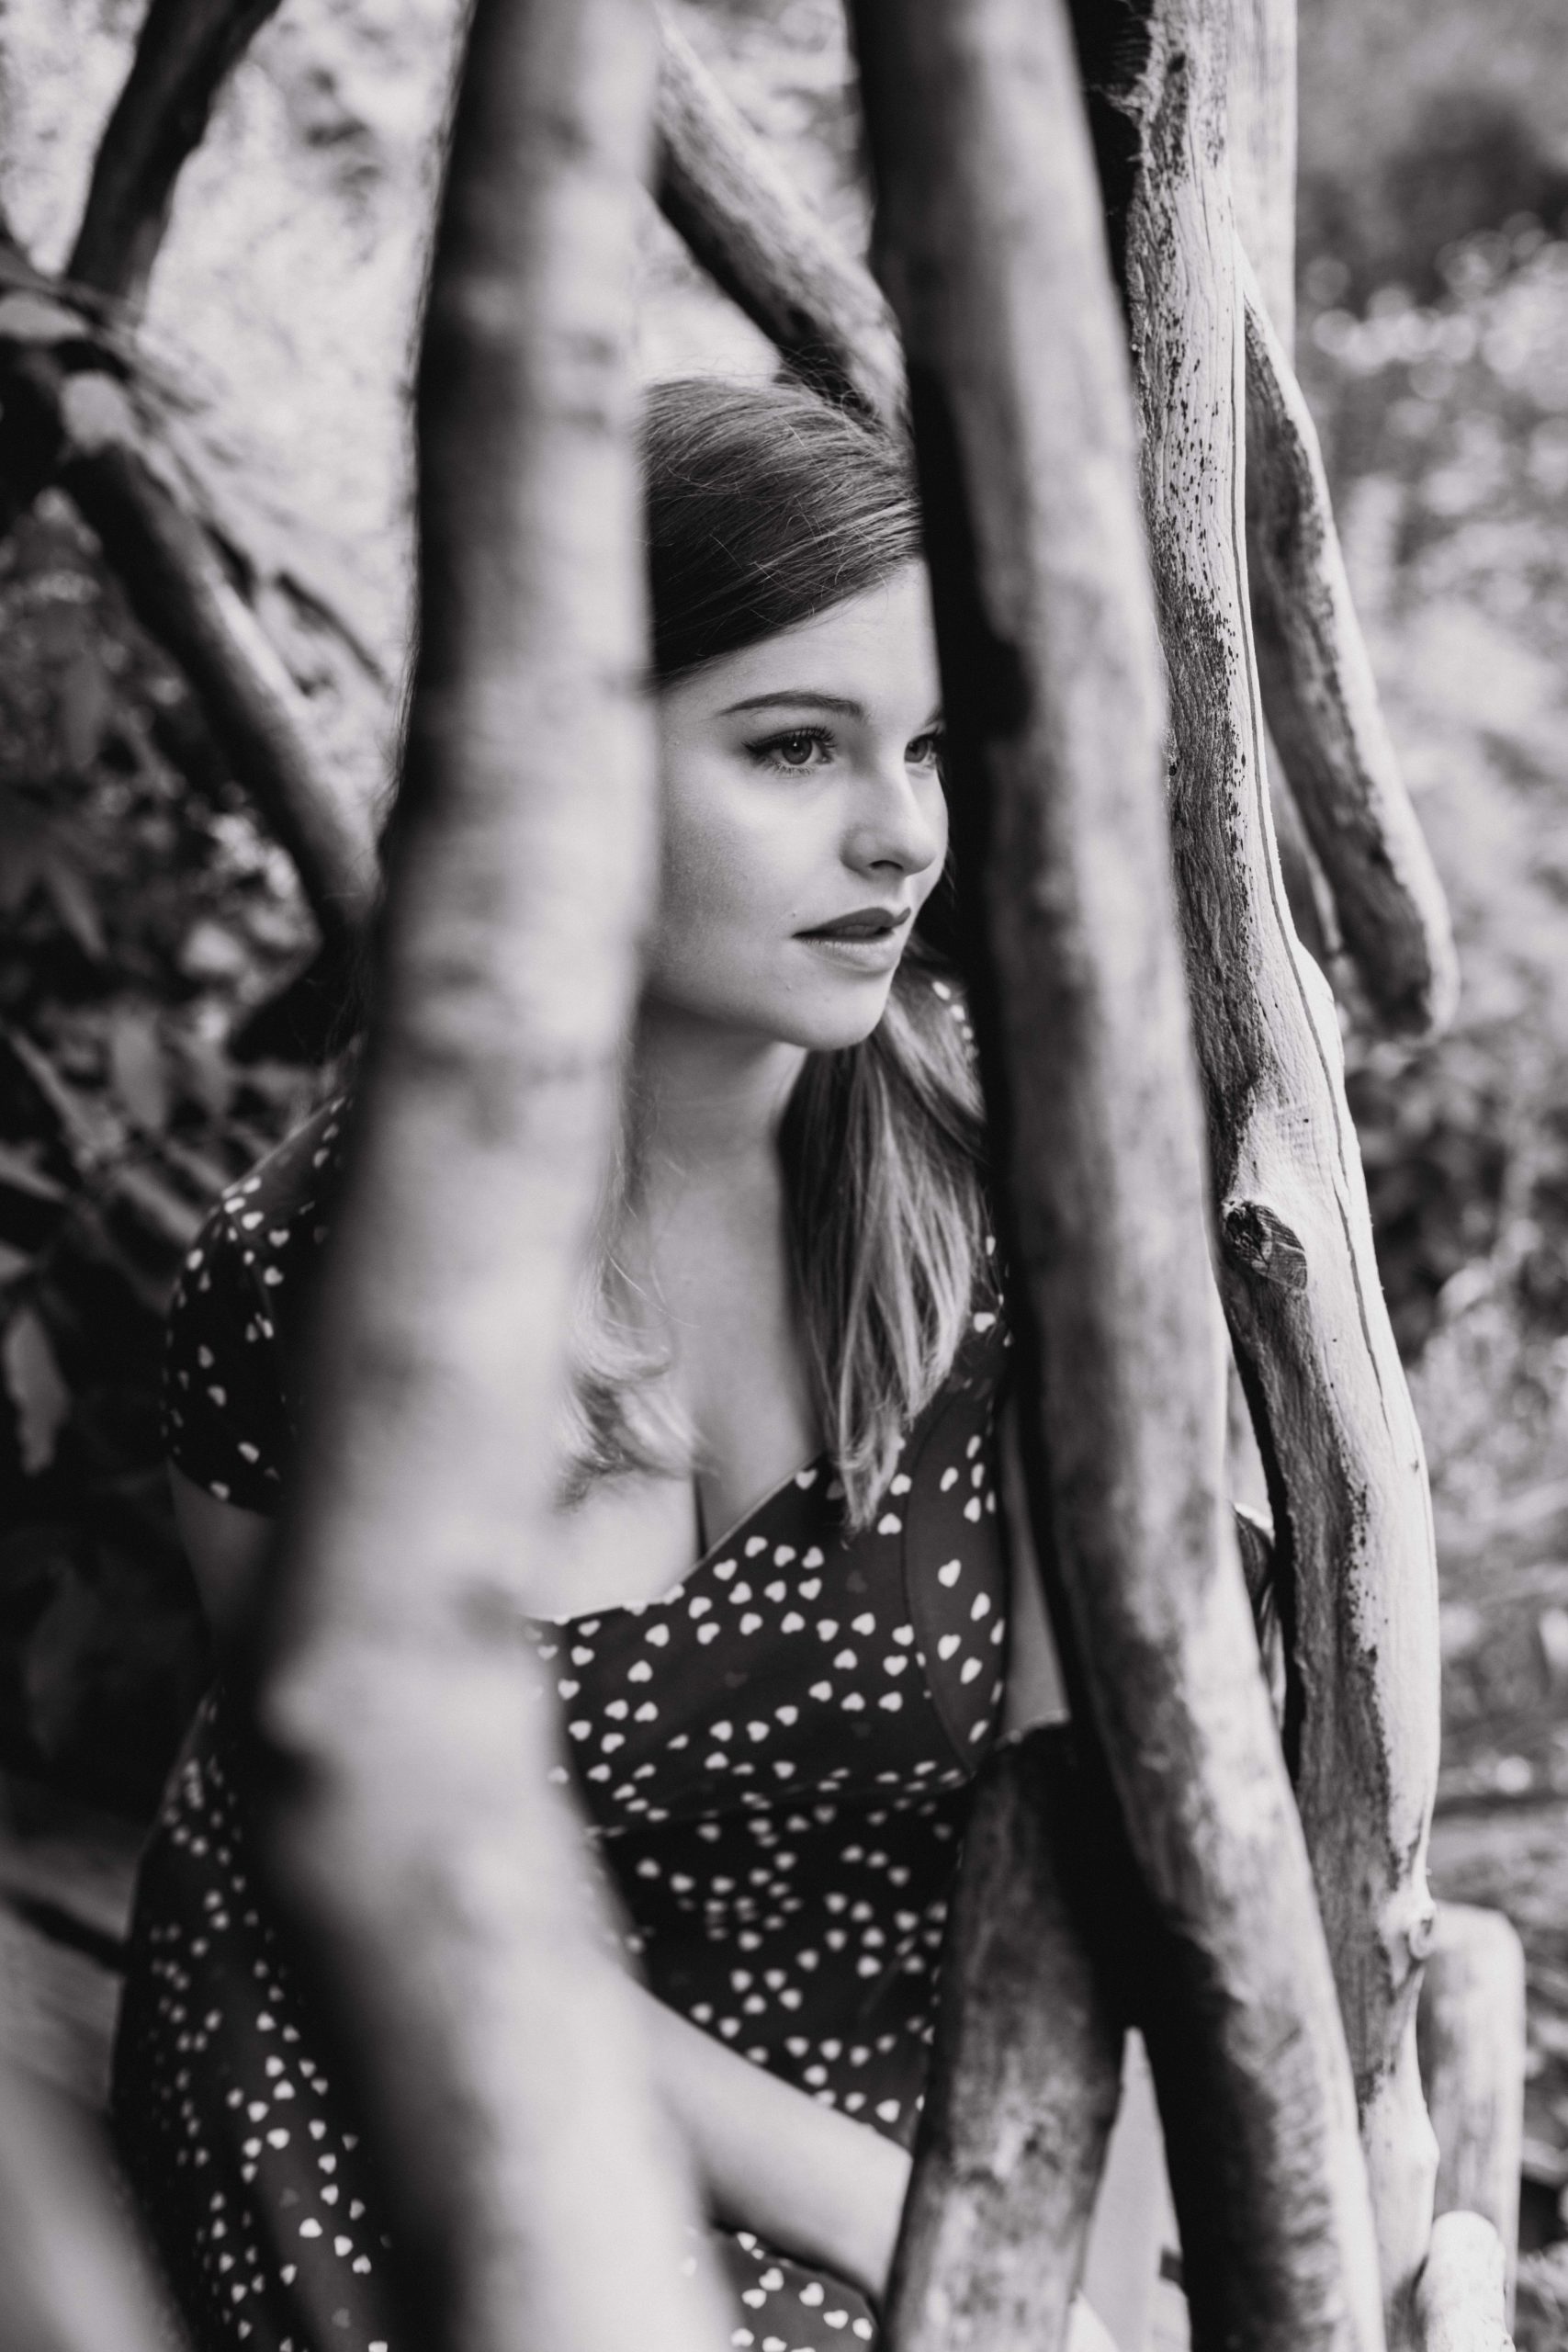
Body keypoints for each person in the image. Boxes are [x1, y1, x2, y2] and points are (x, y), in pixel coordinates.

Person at [110, 377, 1159, 2352]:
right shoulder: (319, 1280)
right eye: (793, 745)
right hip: (419, 2044)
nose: (900, 832)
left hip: (897, 2068)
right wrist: (901, 2228)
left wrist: (1043, 2269)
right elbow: (395, 1902)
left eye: (927, 747)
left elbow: (1116, 1862)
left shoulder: (1031, 1217)